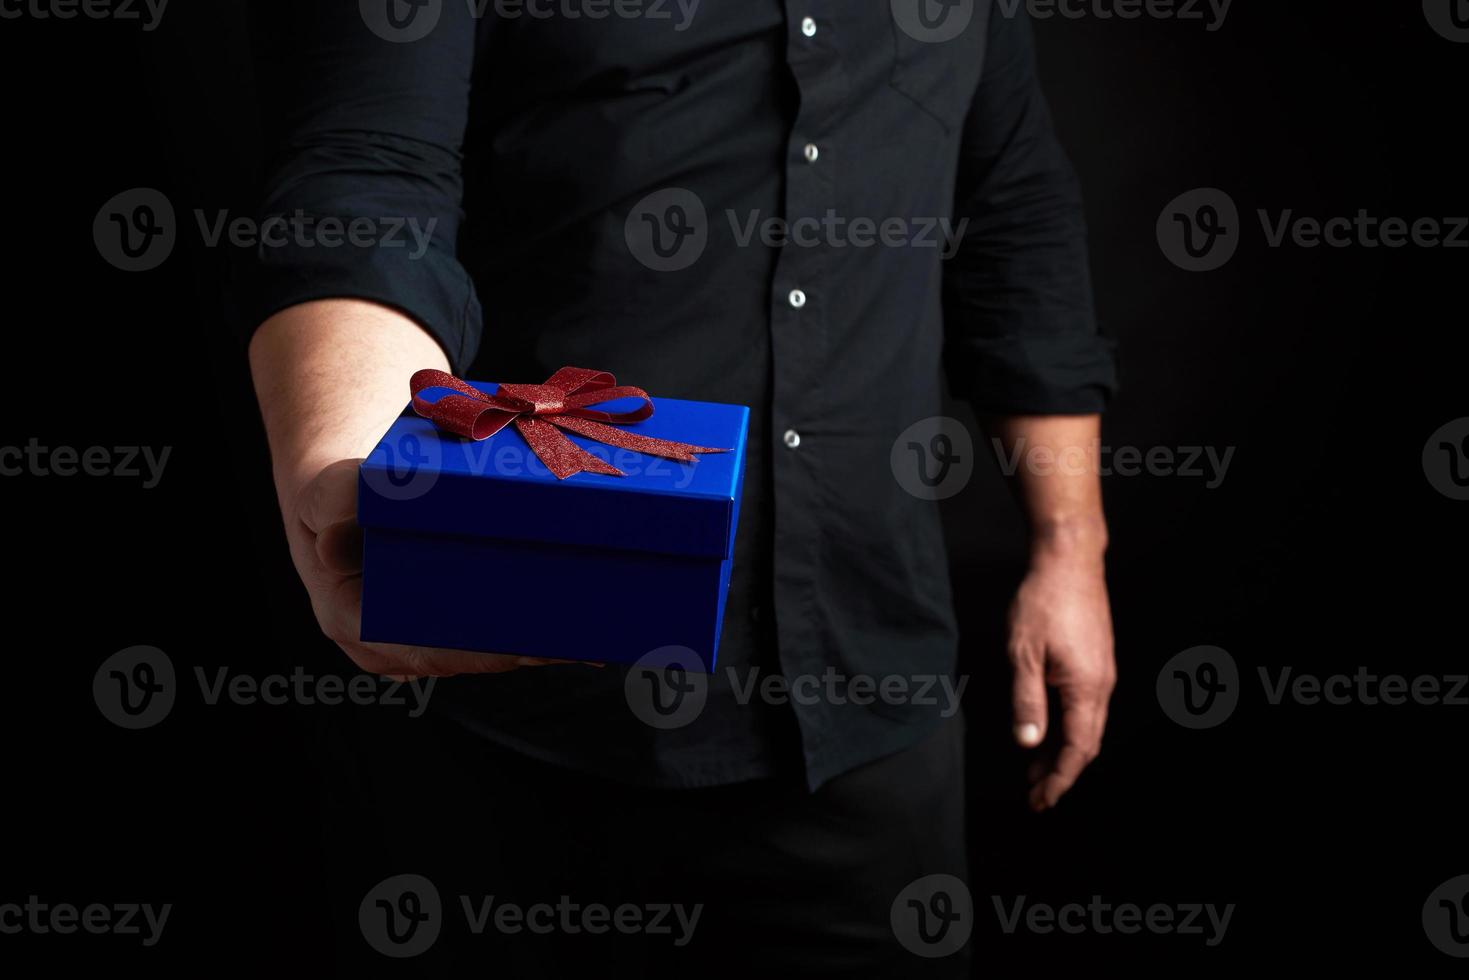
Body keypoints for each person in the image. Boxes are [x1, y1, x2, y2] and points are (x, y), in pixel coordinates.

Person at [241, 0, 1118, 973]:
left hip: (870, 709)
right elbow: (368, 186)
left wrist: (1068, 545)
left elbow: (1013, 208)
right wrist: (351, 469)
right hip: (515, 732)